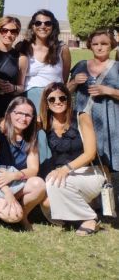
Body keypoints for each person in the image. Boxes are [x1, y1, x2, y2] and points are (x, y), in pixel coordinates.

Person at [40, 83, 105, 235]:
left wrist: (65, 169)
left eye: (62, 97)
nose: (57, 102)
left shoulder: (82, 117)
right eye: (52, 99)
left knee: (54, 182)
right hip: (64, 175)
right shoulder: (45, 122)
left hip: (88, 172)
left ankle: (90, 218)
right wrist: (3, 123)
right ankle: (79, 214)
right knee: (46, 203)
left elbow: (90, 154)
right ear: (46, 103)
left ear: (68, 99)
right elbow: (24, 122)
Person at [0, 97, 46, 231]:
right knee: (13, 216)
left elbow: (33, 169)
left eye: (28, 115)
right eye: (19, 113)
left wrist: (14, 176)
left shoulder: (30, 137)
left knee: (39, 184)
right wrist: (8, 193)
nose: (23, 118)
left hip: (14, 182)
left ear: (33, 118)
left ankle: (23, 215)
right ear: (9, 113)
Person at [68, 29, 119, 172]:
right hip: (84, 121)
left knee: (109, 167)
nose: (99, 47)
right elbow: (64, 93)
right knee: (85, 162)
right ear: (90, 46)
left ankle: (110, 190)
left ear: (111, 45)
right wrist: (74, 82)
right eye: (95, 44)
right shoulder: (81, 65)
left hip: (110, 123)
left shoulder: (117, 67)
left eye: (104, 43)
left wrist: (108, 91)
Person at [0, 16, 28, 140]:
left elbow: (21, 87)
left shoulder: (21, 58)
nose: (8, 34)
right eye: (4, 30)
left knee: (1, 143)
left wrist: (13, 87)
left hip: (5, 107)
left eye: (13, 31)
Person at [20, 9, 71, 111]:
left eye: (47, 23)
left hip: (54, 99)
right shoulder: (23, 47)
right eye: (38, 23)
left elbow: (64, 78)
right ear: (32, 26)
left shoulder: (62, 49)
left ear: (53, 26)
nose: (43, 26)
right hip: (29, 100)